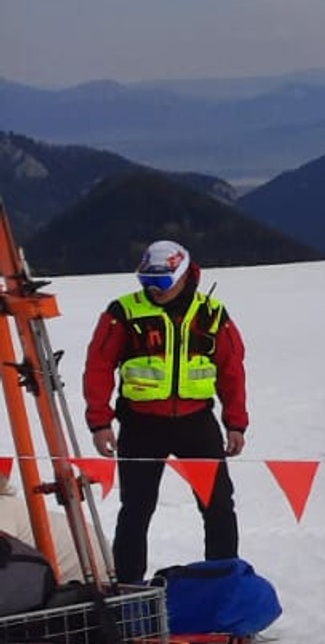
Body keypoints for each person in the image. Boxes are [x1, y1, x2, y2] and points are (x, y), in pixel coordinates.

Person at [82, 239, 248, 586]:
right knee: (136, 509)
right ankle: (129, 589)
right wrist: (100, 422)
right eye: (147, 282)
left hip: (196, 423)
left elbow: (232, 370)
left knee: (217, 505)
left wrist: (235, 423)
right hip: (141, 425)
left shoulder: (212, 314)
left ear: (184, 274)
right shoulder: (122, 313)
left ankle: (224, 582)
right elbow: (98, 366)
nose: (154, 291)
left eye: (162, 283)